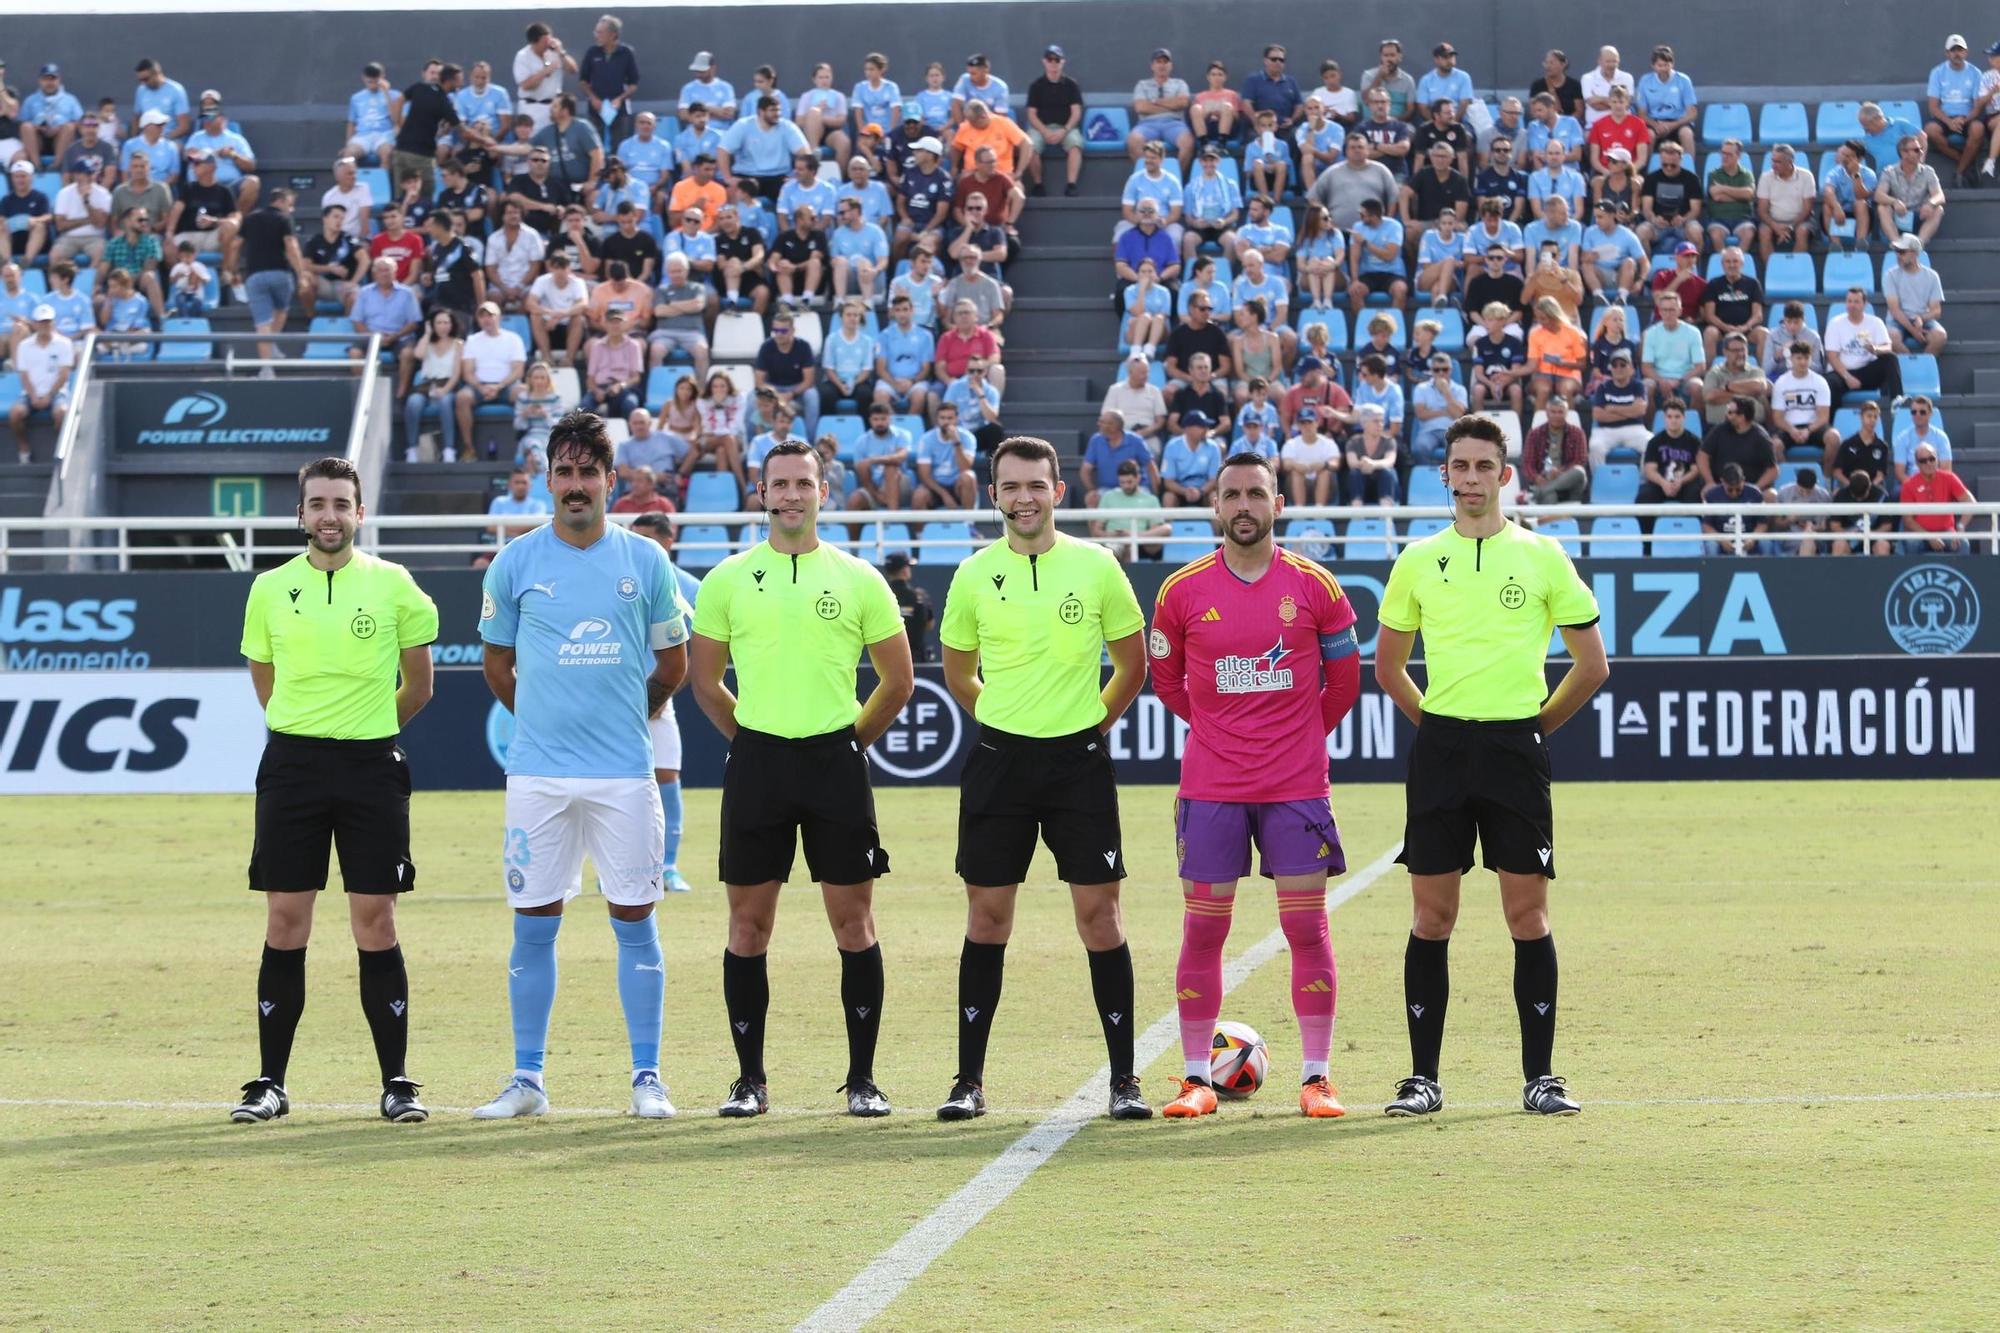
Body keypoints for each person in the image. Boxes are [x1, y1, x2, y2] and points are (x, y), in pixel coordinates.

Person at [1374, 413, 1606, 1118]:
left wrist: (1531, 728)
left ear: (1505, 476)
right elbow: (1388, 669)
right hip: (1442, 750)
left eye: (1484, 467)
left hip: (1515, 750)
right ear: (1443, 474)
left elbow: (1591, 665)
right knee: (1431, 915)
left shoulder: (1543, 556)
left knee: (1526, 913)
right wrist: (1443, 726)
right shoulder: (1417, 558)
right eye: (1459, 467)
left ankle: (1541, 1077)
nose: (1471, 479)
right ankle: (1422, 1079)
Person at [472, 411, 691, 1121]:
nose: (574, 485)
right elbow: (498, 665)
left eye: (585, 472)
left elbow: (674, 662)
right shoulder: (516, 563)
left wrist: (635, 709)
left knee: (635, 917)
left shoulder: (645, 561)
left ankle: (647, 1077)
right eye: (562, 472)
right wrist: (540, 713)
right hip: (537, 774)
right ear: (547, 479)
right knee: (533, 923)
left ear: (610, 479)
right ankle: (527, 1078)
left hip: (625, 772)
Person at [687, 440, 914, 1118]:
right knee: (747, 926)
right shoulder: (726, 578)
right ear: (760, 493)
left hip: (834, 764)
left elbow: (896, 682)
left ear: (824, 491)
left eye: (803, 483)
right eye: (778, 483)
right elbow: (704, 682)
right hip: (758, 764)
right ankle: (749, 1081)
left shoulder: (859, 578)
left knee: (854, 923)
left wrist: (847, 744)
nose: (791, 494)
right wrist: (752, 741)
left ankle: (863, 1079)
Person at [932, 435, 1150, 1121]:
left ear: (1060, 491)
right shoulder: (972, 574)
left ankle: (1124, 1080)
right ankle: (968, 1080)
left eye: (1036, 484)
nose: (1024, 497)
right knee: (988, 918)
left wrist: (1087, 723)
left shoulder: (1098, 566)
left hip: (1077, 765)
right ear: (992, 494)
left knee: (1100, 917)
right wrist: (1003, 717)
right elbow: (958, 670)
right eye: (1010, 486)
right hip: (999, 764)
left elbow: (1131, 664)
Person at [1151, 446, 1363, 1120]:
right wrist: (1219, 730)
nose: (1243, 506)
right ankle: (1194, 1080)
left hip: (1296, 785)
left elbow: (1346, 683)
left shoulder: (1316, 585)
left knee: (1306, 926)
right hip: (1211, 788)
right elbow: (1167, 681)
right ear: (1216, 506)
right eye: (1232, 495)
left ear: (1279, 503)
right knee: (1203, 931)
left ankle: (1317, 1077)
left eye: (1255, 494)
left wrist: (1296, 736)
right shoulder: (1181, 590)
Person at [231, 457, 438, 1125]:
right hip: (291, 767)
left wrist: (366, 731)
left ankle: (397, 1082)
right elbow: (266, 680)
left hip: (372, 767)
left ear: (360, 512)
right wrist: (309, 732)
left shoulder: (395, 586)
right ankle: (270, 1082)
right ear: (300, 514)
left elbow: (420, 685)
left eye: (341, 503)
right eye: (317, 502)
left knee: (375, 920)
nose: (329, 514)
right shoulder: (268, 587)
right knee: (286, 921)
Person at [1634, 396, 1705, 552]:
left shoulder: (1694, 441)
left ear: (1683, 418)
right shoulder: (1655, 441)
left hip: (1685, 484)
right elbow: (1650, 469)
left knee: (1696, 494)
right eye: (1670, 417)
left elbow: (1695, 469)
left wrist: (1681, 481)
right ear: (1664, 418)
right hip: (1661, 484)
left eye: (1677, 417)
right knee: (1644, 497)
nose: (1673, 420)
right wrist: (1664, 483)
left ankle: (1694, 543)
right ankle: (1647, 545)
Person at [8, 306, 74, 463]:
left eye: (48, 321)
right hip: (31, 393)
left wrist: (49, 395)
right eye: (42, 322)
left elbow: (64, 375)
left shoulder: (64, 344)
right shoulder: (24, 346)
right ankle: (24, 448)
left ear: (53, 323)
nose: (46, 325)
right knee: (15, 414)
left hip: (57, 393)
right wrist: (33, 395)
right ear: (35, 324)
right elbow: (24, 375)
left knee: (62, 413)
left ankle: (60, 449)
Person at [1898, 442, 1972, 553]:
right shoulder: (1909, 485)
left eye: (1931, 459)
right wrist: (1929, 537)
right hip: (1920, 533)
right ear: (1917, 464)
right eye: (1923, 461)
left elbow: (1970, 502)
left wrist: (1960, 527)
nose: (1928, 463)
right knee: (1912, 543)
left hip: (1946, 531)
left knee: (1963, 544)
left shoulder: (1949, 478)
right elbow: (1908, 520)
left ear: (1937, 459)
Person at [1882, 233, 1948, 355]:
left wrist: (1920, 318)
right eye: (1897, 251)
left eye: (1902, 252)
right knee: (1891, 337)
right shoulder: (1890, 275)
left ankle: (1922, 366)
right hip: (1897, 320)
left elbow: (1936, 311)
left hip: (1922, 320)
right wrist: (1913, 331)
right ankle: (1911, 365)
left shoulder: (1932, 276)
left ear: (1914, 254)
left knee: (1940, 336)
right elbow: (1895, 311)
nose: (1897, 255)